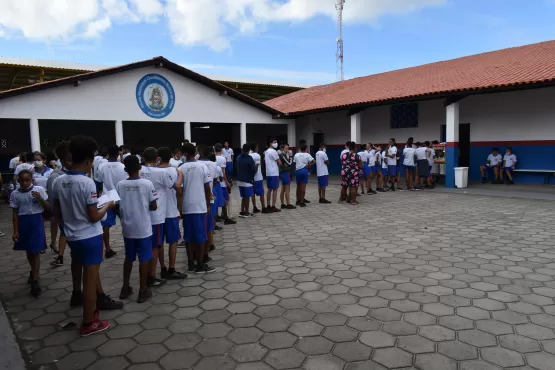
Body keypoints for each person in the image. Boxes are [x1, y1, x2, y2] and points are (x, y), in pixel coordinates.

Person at [53, 135, 122, 337]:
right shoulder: (86, 183)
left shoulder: (59, 181)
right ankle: (88, 322)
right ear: (88, 161)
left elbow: (57, 213)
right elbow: (93, 216)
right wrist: (107, 205)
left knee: (86, 274)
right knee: (90, 281)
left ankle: (90, 314)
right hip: (90, 236)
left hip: (72, 236)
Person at [117, 156, 158, 303]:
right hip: (143, 228)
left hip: (127, 227)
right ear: (140, 167)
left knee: (129, 257)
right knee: (145, 258)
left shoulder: (120, 185)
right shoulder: (147, 183)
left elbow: (117, 204)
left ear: (125, 169)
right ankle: (142, 290)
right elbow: (154, 206)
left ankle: (125, 287)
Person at [140, 147, 176, 287]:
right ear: (157, 159)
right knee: (156, 246)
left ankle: (151, 273)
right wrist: (180, 175)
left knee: (148, 246)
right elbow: (175, 186)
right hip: (157, 215)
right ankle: (151, 276)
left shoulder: (139, 171)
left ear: (143, 158)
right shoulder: (162, 172)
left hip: (143, 214)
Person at [178, 143, 216, 274]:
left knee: (188, 235)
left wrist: (180, 208)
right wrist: (207, 204)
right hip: (200, 206)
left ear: (184, 153)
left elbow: (180, 191)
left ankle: (190, 263)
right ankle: (200, 263)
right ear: (195, 152)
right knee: (201, 235)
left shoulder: (181, 168)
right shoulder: (202, 166)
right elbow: (207, 188)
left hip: (187, 206)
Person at [10, 169, 49, 297]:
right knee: (29, 251)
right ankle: (33, 271)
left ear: (32, 180)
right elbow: (15, 213)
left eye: (28, 180)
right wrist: (15, 230)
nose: (25, 183)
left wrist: (40, 198)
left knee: (36, 250)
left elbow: (47, 207)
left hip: (36, 221)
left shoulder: (39, 190)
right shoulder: (15, 194)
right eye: (22, 181)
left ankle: (35, 279)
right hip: (24, 222)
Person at [156, 147, 186, 279]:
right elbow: (179, 191)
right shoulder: (175, 172)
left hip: (157, 213)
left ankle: (162, 267)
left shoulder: (152, 172)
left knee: (159, 242)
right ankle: (171, 268)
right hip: (172, 211)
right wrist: (180, 208)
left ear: (159, 158)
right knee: (173, 241)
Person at [98, 145, 126, 259]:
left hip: (107, 197)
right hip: (120, 198)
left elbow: (99, 182)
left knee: (106, 225)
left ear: (108, 153)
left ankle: (108, 248)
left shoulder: (101, 166)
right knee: (126, 223)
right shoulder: (122, 166)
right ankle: (128, 245)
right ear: (119, 152)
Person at [49, 142, 71, 267]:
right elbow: (53, 200)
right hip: (65, 217)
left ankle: (60, 256)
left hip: (77, 218)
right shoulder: (56, 177)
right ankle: (60, 256)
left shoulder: (80, 175)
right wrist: (57, 216)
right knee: (64, 233)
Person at [198, 145, 220, 253]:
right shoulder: (214, 165)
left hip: (199, 197)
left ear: (201, 153)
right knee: (210, 220)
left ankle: (202, 244)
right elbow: (215, 179)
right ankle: (211, 243)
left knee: (201, 222)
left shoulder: (198, 164)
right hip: (210, 195)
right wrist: (210, 187)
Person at [214, 144, 235, 224]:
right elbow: (223, 171)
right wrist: (227, 182)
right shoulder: (222, 158)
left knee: (217, 199)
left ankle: (219, 216)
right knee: (225, 199)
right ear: (221, 150)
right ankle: (225, 217)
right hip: (222, 182)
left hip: (215, 181)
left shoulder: (213, 158)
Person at [236, 144, 257, 218]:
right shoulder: (249, 158)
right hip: (247, 180)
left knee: (243, 196)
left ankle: (242, 211)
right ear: (249, 150)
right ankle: (247, 212)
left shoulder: (238, 157)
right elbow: (253, 170)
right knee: (247, 196)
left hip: (239, 179)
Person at [264, 138, 282, 212]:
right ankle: (273, 206)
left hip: (268, 173)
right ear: (271, 143)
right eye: (275, 142)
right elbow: (279, 162)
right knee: (275, 189)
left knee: (269, 189)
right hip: (274, 173)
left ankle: (268, 205)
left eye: (276, 142)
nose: (276, 143)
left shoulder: (266, 151)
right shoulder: (274, 151)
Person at [250, 143, 267, 213]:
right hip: (258, 177)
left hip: (251, 178)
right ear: (255, 148)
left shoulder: (249, 155)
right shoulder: (257, 155)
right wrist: (254, 173)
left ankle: (254, 207)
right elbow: (256, 166)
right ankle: (263, 207)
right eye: (257, 147)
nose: (258, 148)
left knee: (252, 193)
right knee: (261, 193)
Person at [278, 143, 295, 209]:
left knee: (283, 189)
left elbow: (287, 164)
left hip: (284, 172)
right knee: (287, 189)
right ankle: (288, 204)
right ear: (282, 148)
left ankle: (282, 203)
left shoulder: (284, 155)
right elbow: (289, 164)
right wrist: (290, 157)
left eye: (288, 148)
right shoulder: (282, 155)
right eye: (286, 148)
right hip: (285, 173)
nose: (287, 150)